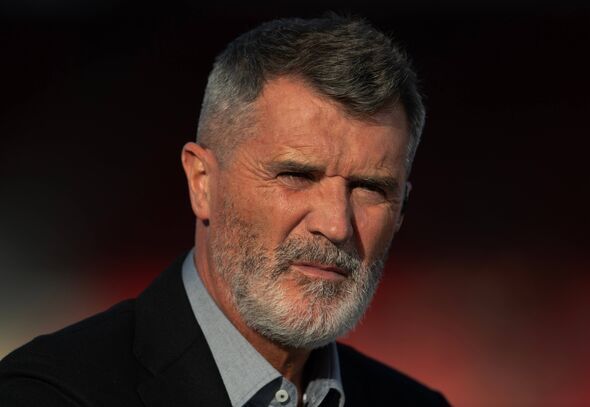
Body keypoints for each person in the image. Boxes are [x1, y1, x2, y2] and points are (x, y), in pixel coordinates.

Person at [0, 15, 451, 406]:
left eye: (370, 188)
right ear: (202, 182)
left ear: (402, 209)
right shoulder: (49, 394)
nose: (335, 224)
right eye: (296, 175)